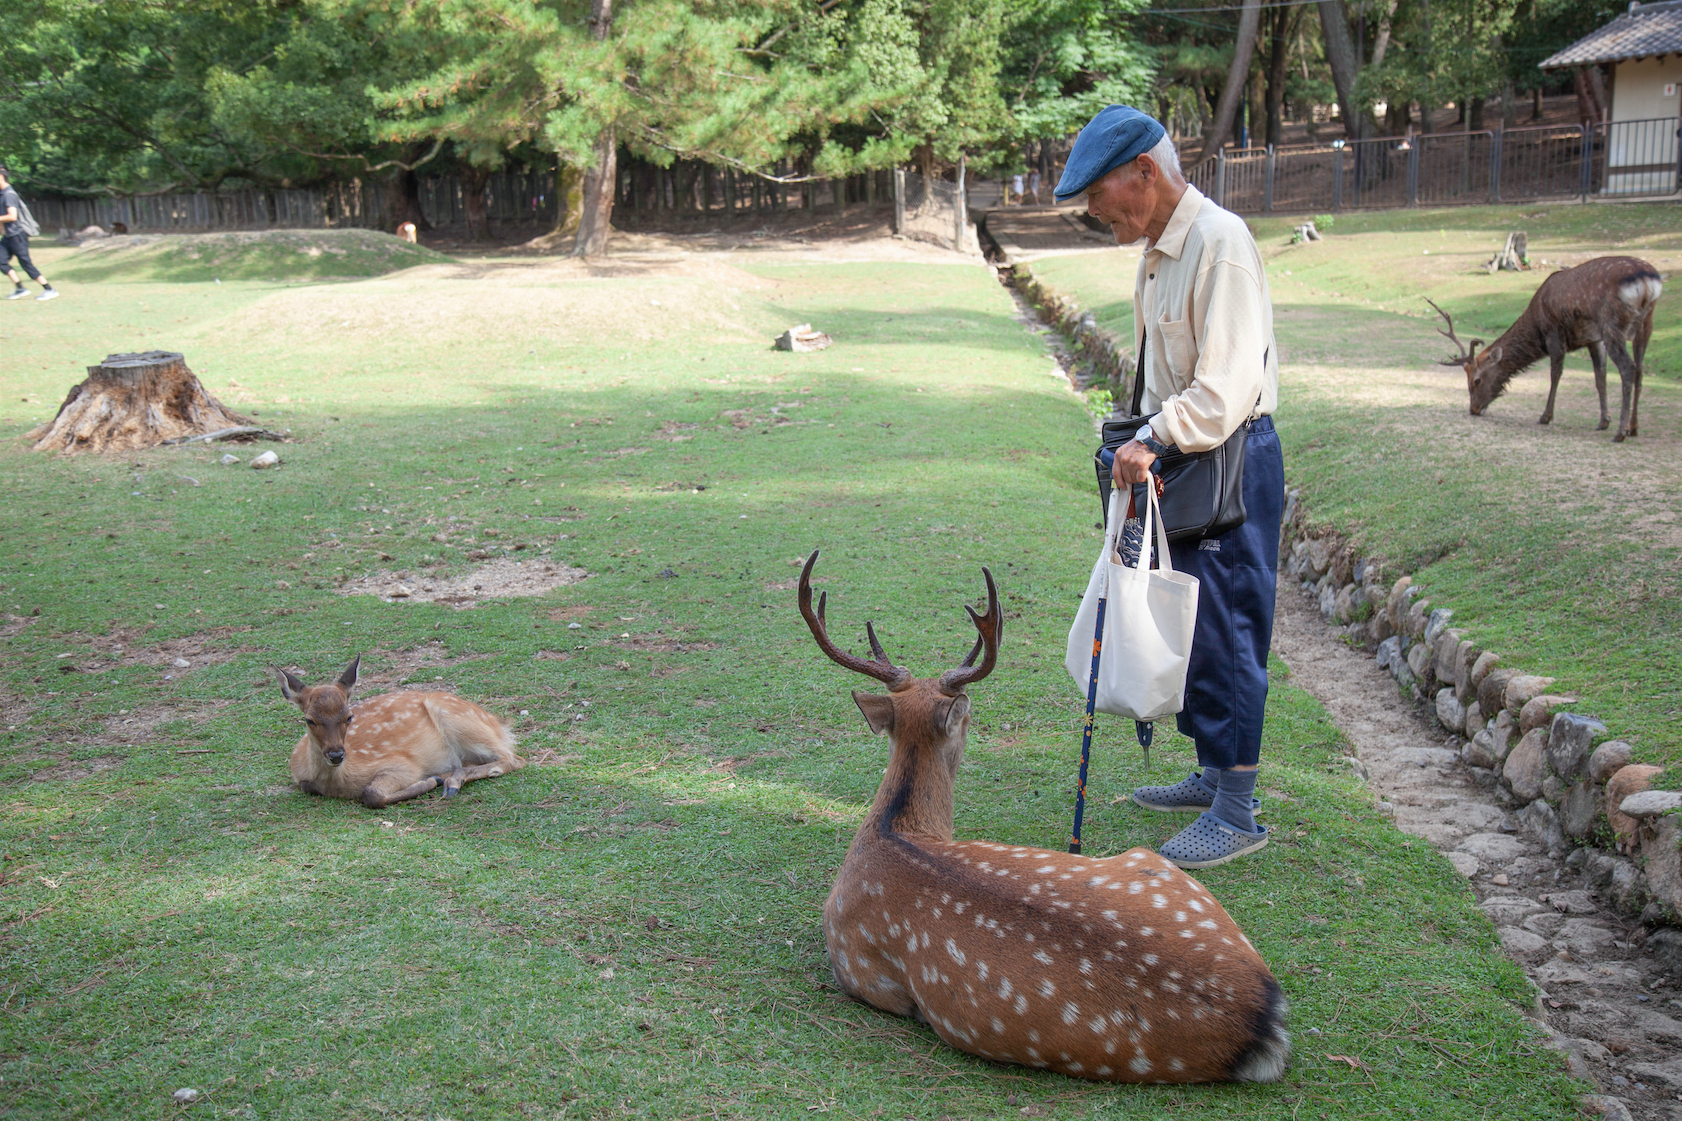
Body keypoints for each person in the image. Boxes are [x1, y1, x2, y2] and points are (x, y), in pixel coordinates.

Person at [1055, 105, 1282, 870]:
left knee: (1227, 628)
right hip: (1181, 460)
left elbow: (1227, 386)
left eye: (1098, 196)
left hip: (1229, 458)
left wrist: (1152, 437)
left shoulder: (1220, 245)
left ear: (1144, 174)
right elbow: (1162, 380)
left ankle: (1237, 808)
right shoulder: (1158, 254)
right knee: (1186, 620)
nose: (1095, 214)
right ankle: (1213, 771)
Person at [0, 167, 56, 301]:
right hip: (8, 235)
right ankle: (20, 288)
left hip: (18, 235)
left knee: (26, 263)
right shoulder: (2, 194)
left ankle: (49, 289)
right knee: (1, 261)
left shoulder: (9, 194)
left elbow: (12, 216)